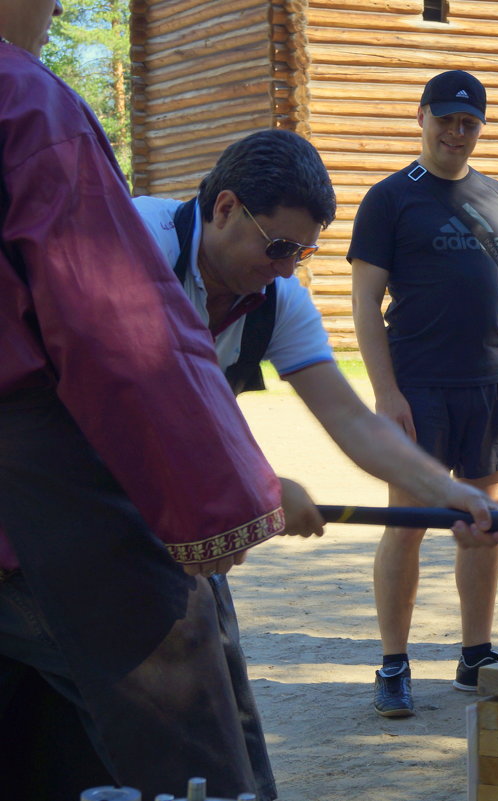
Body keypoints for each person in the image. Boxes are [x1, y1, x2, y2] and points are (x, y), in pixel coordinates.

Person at [130, 128, 498, 791]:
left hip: (165, 514)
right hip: (59, 493)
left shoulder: (278, 299)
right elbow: (125, 400)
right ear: (224, 208)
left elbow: (353, 420)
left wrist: (448, 492)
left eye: (301, 253)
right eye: (278, 246)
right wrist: (258, 484)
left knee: (215, 701)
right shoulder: (135, 244)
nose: (285, 268)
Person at [0, 4, 306, 797]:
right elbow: (115, 330)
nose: (60, 7)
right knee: (180, 690)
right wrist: (220, 504)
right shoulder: (26, 105)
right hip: (34, 500)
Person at [349, 70, 498, 717]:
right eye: (446, 119)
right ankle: (393, 662)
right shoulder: (389, 199)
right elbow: (363, 300)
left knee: (481, 526)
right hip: (418, 388)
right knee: (406, 525)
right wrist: (386, 392)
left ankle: (475, 653)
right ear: (422, 117)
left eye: (469, 123)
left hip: (490, 385)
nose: (456, 132)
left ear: (479, 127)